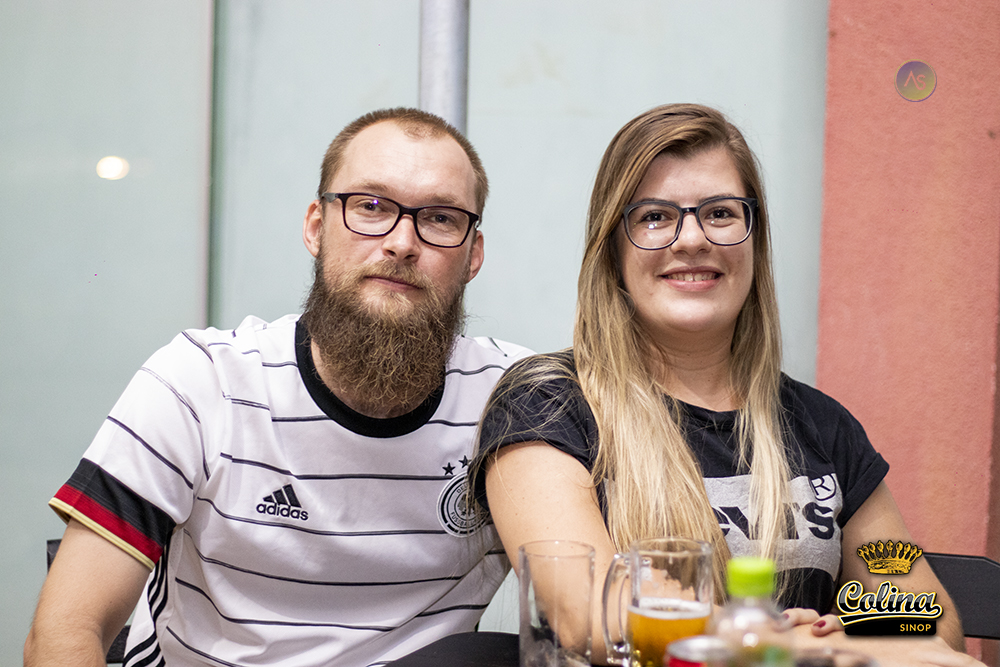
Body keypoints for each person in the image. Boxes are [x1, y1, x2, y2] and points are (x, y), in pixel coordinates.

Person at [471, 104, 980, 666]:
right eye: (655, 217)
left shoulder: (823, 426)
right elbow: (583, 611)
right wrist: (780, 642)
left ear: (754, 241)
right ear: (612, 250)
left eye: (719, 213)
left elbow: (933, 623)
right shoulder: (545, 404)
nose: (691, 239)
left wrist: (858, 630)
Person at [25, 107, 531, 667]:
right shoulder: (202, 382)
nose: (401, 242)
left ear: (473, 254)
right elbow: (65, 631)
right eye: (370, 206)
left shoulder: (519, 402)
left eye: (439, 218)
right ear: (316, 227)